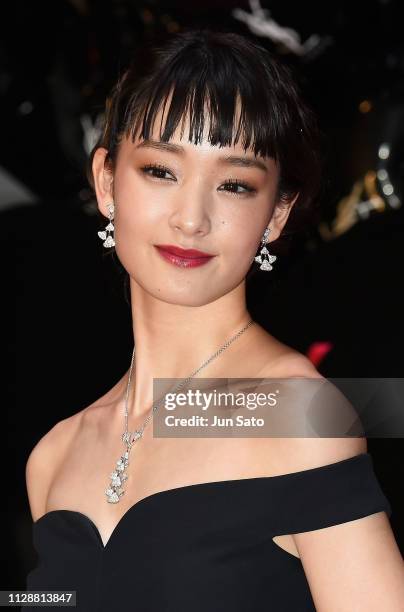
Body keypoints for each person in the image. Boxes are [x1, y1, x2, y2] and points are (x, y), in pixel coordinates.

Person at [25, 28, 404, 611]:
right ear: (106, 182)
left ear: (276, 214)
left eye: (233, 184)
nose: (191, 219)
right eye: (160, 171)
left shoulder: (296, 412)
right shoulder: (53, 457)